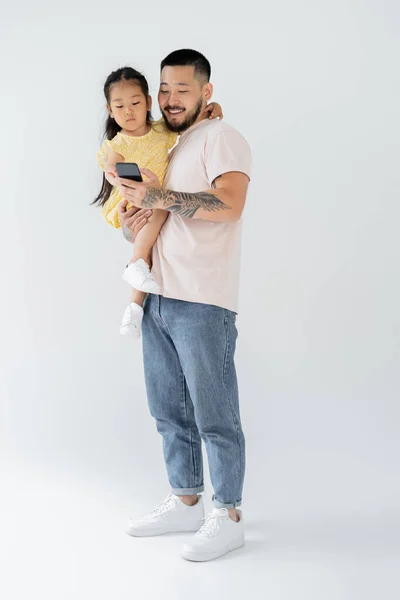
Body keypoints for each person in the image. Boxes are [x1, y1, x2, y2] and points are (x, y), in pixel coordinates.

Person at [116, 49, 252, 562]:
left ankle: (229, 514)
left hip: (203, 299)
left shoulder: (221, 137)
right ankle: (186, 500)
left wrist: (161, 201)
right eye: (165, 90)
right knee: (169, 411)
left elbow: (231, 204)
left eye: (183, 90)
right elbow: (163, 211)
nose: (171, 100)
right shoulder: (173, 145)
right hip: (159, 295)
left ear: (206, 93)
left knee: (215, 415)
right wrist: (138, 219)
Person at [93, 66, 222, 337]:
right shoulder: (118, 143)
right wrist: (118, 179)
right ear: (109, 109)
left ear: (149, 102)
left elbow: (191, 121)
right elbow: (112, 169)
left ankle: (134, 307)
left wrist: (212, 107)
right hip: (133, 198)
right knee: (157, 219)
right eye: (120, 106)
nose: (128, 111)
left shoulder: (162, 130)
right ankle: (136, 265)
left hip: (155, 199)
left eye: (135, 103)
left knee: (153, 245)